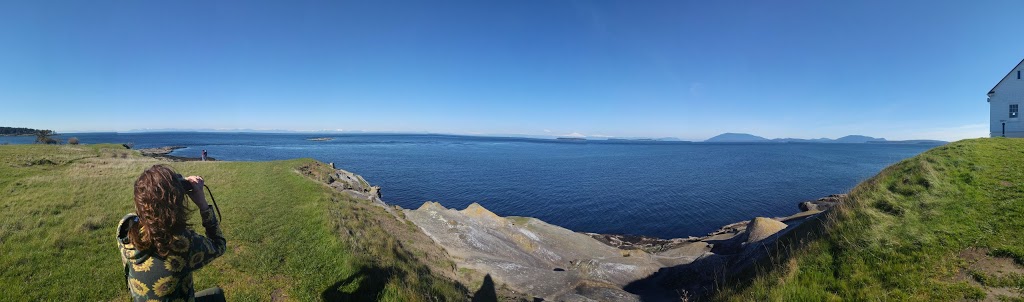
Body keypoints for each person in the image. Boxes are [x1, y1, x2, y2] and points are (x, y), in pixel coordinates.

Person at [116, 164, 227, 301]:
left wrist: (170, 186)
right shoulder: (182, 244)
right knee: (216, 295)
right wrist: (203, 204)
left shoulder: (125, 228)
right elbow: (219, 244)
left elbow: (149, 212)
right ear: (176, 204)